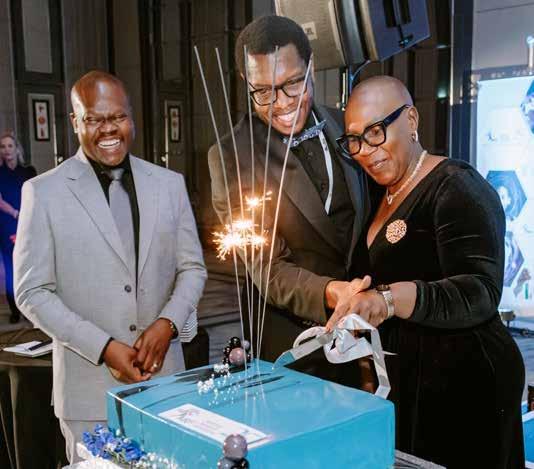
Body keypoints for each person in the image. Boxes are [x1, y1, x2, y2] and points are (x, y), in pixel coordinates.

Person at [327, 75, 525, 468]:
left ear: (412, 120)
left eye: (376, 132)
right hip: (410, 380)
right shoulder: (379, 193)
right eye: (355, 140)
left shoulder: (456, 186)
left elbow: (479, 292)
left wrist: (388, 300)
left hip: (465, 384)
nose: (365, 151)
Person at [14, 71, 207, 463]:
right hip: (89, 395)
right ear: (75, 122)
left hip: (166, 384)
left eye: (117, 117)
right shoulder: (43, 192)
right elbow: (31, 292)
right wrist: (103, 347)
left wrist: (168, 323)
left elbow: (193, 268)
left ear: (131, 117)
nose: (108, 129)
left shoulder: (169, 184)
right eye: (94, 119)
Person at [208, 15, 371, 385]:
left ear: (311, 67)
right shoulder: (232, 157)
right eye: (263, 92)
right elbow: (268, 270)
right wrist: (334, 292)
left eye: (293, 84)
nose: (281, 104)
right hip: (295, 347)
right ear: (245, 82)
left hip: (364, 334)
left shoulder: (345, 123)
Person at [0, 131, 36, 323]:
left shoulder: (28, 172)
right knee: (11, 268)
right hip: (7, 225)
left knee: (29, 267)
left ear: (17, 149)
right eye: (2, 146)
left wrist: (26, 217)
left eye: (10, 146)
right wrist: (16, 214)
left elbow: (37, 197)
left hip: (28, 223)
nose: (6, 150)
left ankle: (31, 308)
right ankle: (15, 310)